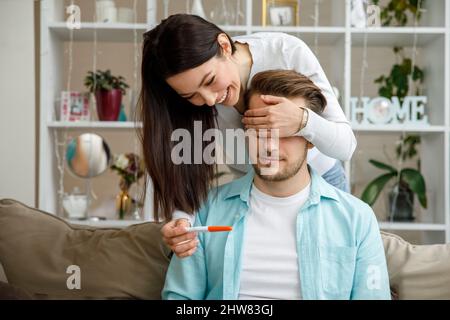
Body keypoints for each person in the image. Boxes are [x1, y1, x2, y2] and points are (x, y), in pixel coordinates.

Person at [139, 14, 357, 257]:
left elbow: (345, 146)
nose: (209, 100)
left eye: (210, 80)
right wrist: (183, 222)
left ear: (224, 45)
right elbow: (187, 172)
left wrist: (301, 120)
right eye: (191, 96)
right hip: (253, 196)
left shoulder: (286, 52)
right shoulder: (192, 98)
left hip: (322, 182)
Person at [162, 70, 390, 300]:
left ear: (310, 139)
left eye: (285, 132)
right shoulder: (205, 210)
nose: (269, 146)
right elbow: (180, 298)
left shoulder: (357, 218)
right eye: (260, 130)